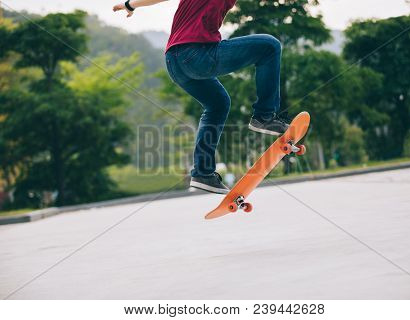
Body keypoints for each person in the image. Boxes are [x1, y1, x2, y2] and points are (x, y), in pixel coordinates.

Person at [114, 0, 289, 194]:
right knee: (269, 46)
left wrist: (131, 5)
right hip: (196, 55)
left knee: (218, 103)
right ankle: (264, 116)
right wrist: (131, 4)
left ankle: (202, 173)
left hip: (175, 62)